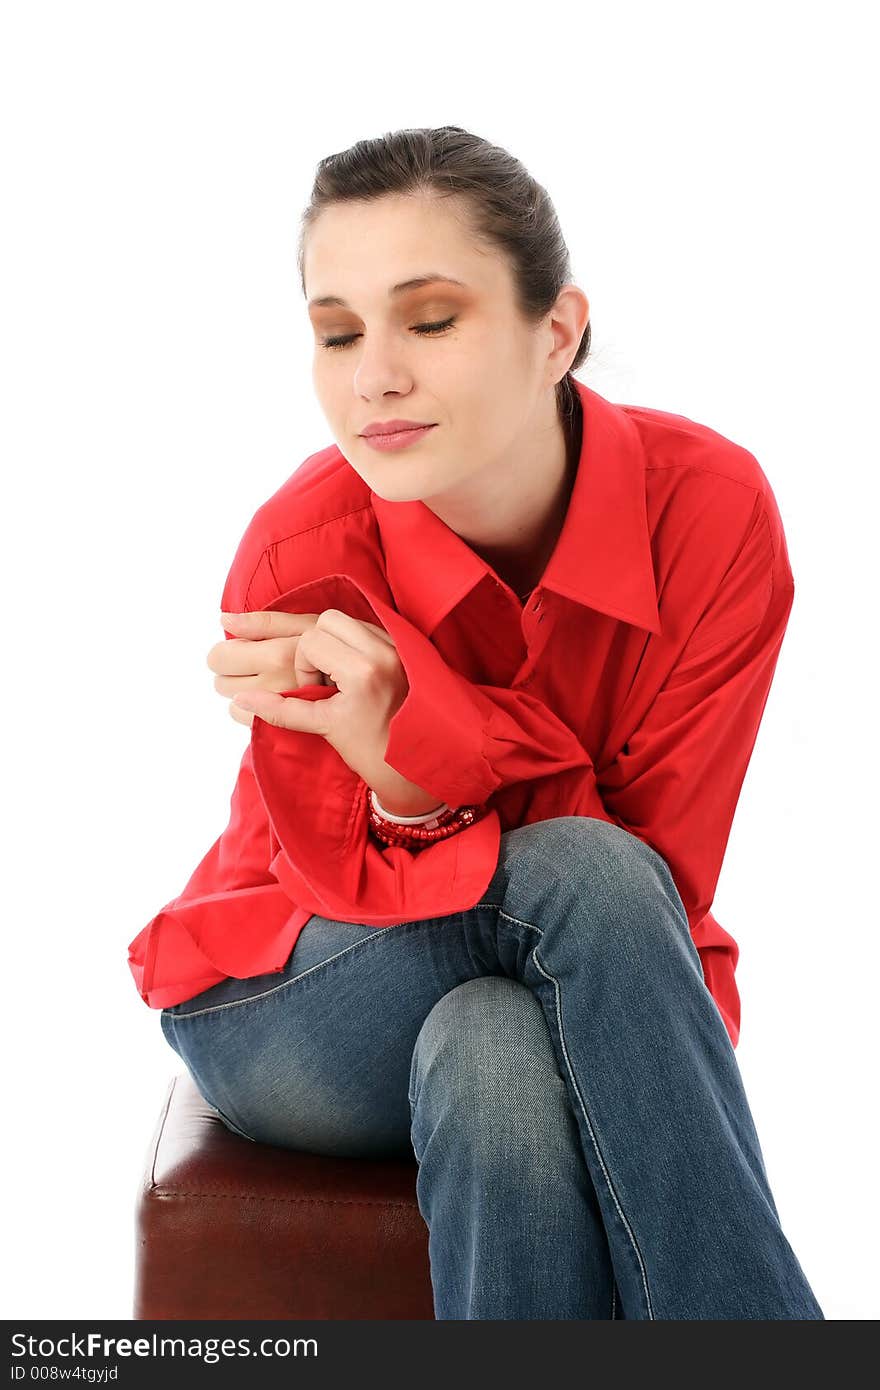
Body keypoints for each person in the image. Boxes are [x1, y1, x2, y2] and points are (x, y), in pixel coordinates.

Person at [130, 126, 824, 1319]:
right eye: (338, 333)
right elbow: (344, 878)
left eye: (430, 319)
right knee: (578, 868)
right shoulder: (303, 552)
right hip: (287, 997)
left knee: (495, 1047)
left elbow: (655, 891)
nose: (373, 377)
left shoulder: (709, 514)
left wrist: (430, 737)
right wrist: (410, 774)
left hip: (566, 964)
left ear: (555, 333)